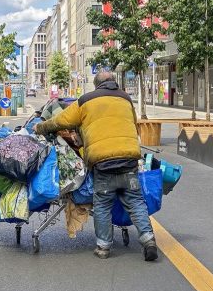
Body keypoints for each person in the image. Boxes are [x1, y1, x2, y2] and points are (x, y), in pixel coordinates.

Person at [34, 71, 158, 261]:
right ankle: (149, 240)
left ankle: (103, 247)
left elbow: (61, 120)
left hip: (103, 163)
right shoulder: (125, 98)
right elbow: (133, 123)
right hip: (129, 160)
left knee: (102, 203)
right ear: (113, 83)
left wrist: (40, 127)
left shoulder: (87, 100)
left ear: (96, 84)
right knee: (135, 200)